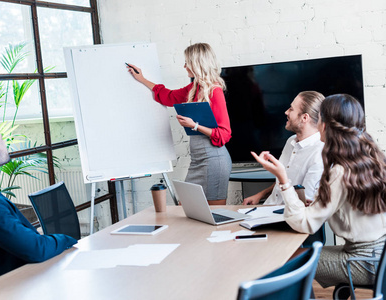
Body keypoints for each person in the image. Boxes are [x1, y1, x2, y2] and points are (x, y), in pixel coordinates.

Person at [252, 94, 386, 288]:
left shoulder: (340, 171)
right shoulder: (372, 157)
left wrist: (283, 180)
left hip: (363, 262)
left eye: (320, 119)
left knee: (285, 256)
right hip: (380, 257)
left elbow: (305, 224)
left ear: (326, 126)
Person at [0, 113, 77, 282]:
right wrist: (69, 239)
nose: (6, 145)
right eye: (2, 140)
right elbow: (36, 249)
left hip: (20, 275)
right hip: (21, 282)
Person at [127, 43, 232, 205]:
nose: (184, 66)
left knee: (214, 215)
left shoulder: (214, 91)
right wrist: (141, 79)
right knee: (186, 209)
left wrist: (194, 126)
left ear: (197, 63)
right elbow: (168, 96)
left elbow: (224, 134)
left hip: (214, 160)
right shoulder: (194, 88)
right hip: (198, 161)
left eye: (187, 62)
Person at [243, 91, 325, 206]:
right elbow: (283, 180)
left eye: (291, 109)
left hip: (287, 217)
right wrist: (261, 195)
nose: (286, 112)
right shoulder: (291, 141)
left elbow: (304, 205)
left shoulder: (320, 153)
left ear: (304, 118)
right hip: (268, 208)